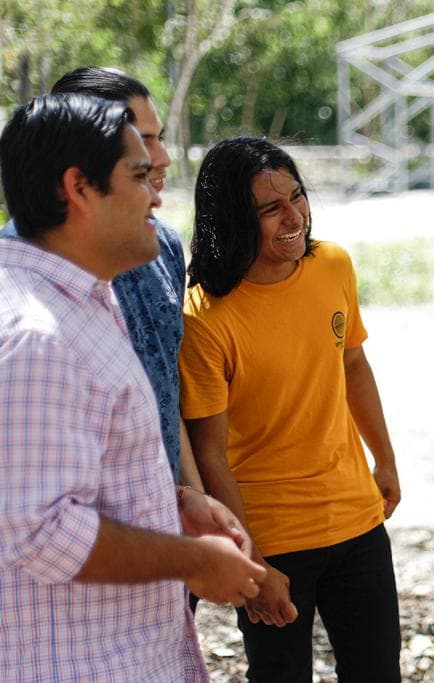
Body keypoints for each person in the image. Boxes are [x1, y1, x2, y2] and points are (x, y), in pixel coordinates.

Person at [0, 93, 266, 680]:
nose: (156, 194)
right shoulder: (32, 333)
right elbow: (39, 531)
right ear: (79, 188)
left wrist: (173, 503)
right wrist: (194, 560)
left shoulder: (81, 298)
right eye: (139, 175)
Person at [179, 137, 403, 681]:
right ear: (234, 218)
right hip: (273, 536)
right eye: (271, 208)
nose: (294, 217)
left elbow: (353, 366)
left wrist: (386, 459)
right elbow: (209, 453)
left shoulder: (333, 265)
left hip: (356, 519)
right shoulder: (204, 316)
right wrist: (252, 561)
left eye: (297, 196)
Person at [0, 67, 226, 523]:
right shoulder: (25, 312)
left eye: (159, 139)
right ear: (79, 180)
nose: (161, 159)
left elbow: (164, 396)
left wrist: (193, 506)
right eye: (141, 146)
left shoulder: (159, 245)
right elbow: (36, 527)